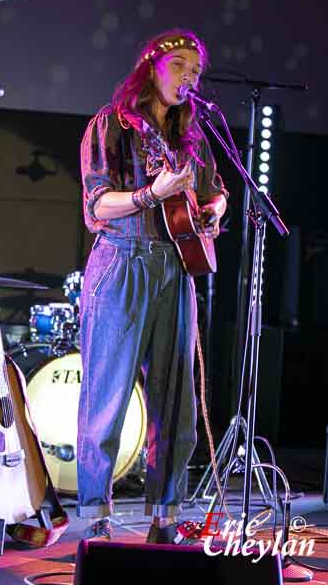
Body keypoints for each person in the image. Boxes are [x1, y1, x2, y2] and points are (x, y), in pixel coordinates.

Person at [77, 28, 228, 543]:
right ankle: (96, 520)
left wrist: (209, 212)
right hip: (123, 264)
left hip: (176, 268)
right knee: (107, 401)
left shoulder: (192, 134)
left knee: (176, 402)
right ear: (152, 68)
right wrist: (149, 195)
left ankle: (164, 520)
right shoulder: (113, 125)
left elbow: (219, 193)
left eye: (196, 71)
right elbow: (97, 207)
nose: (189, 78)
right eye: (180, 65)